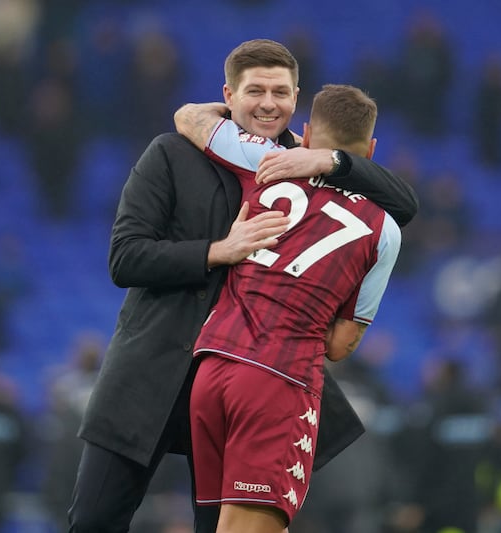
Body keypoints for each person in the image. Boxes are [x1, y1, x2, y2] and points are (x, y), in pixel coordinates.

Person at [69, 38, 418, 533]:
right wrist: (217, 251)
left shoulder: (309, 167)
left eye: (281, 91)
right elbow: (125, 257)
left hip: (240, 379)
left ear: (297, 102)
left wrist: (327, 160)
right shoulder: (170, 154)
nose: (268, 103)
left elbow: (404, 203)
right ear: (229, 95)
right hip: (152, 373)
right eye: (256, 91)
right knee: (93, 522)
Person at [173, 82, 401, 532]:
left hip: (212, 368)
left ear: (308, 133)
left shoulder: (267, 161)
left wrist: (245, 114)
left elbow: (188, 117)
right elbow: (340, 344)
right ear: (370, 150)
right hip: (278, 380)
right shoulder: (385, 229)